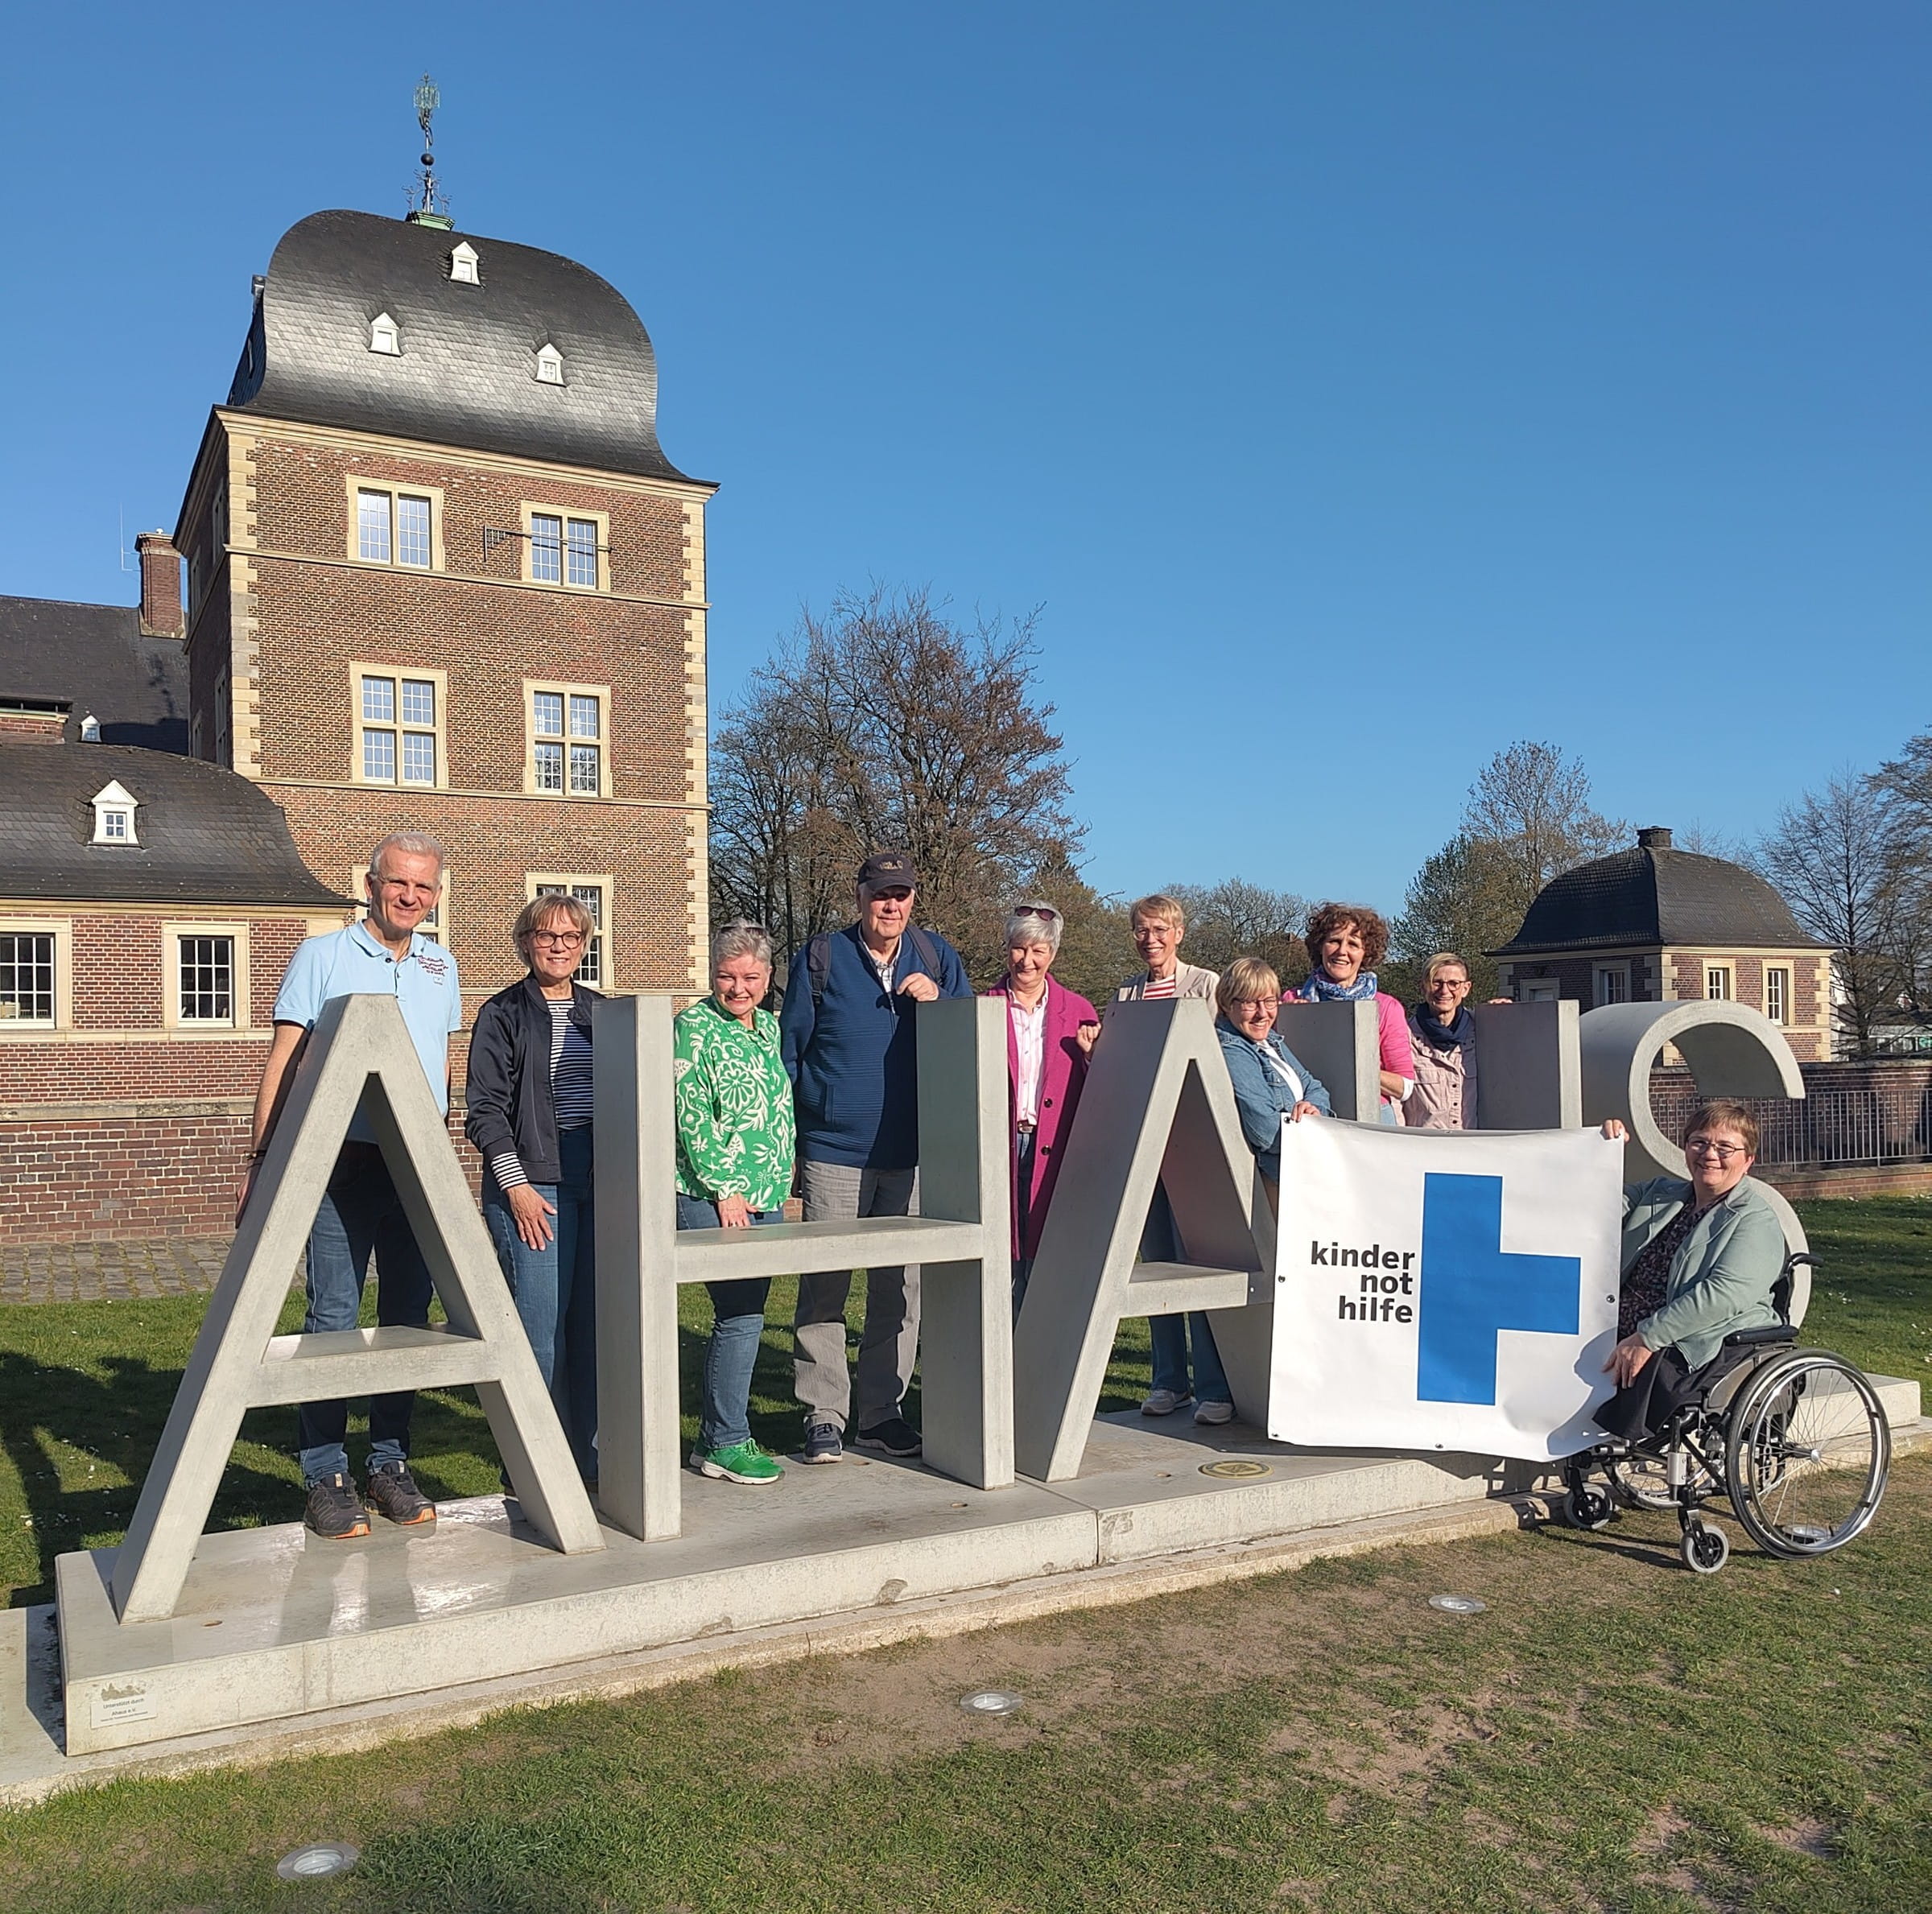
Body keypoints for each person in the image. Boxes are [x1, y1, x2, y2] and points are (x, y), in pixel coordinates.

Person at [240, 831, 462, 1541]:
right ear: (371, 884)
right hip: (340, 1158)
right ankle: (326, 1474)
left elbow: (440, 1064)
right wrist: (261, 1161)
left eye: (424, 888)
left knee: (405, 1319)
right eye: (399, 883)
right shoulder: (324, 954)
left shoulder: (441, 964)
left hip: (416, 1161)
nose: (410, 897)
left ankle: (389, 1463)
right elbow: (283, 1058)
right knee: (333, 1315)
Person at [779, 852, 972, 1464]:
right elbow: (792, 1051)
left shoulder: (937, 956)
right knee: (825, 1285)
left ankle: (880, 1414)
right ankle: (824, 1414)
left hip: (914, 1152)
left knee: (902, 1290)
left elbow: (970, 1038)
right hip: (836, 1150)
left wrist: (938, 1000)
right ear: (858, 896)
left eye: (901, 894)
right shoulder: (823, 957)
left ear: (913, 899)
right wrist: (794, 1143)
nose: (891, 905)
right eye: (880, 894)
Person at [466, 893, 601, 1486]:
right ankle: (532, 1470)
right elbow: (485, 1112)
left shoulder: (603, 1013)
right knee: (539, 1334)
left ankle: (590, 1463)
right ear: (525, 941)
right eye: (546, 935)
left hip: (599, 1189)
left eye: (571, 937)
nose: (558, 946)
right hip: (535, 1190)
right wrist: (516, 1188)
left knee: (593, 1331)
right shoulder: (503, 1014)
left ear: (585, 945)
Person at [675, 921, 796, 1486]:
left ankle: (713, 1437)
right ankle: (727, 1440)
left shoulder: (769, 1028)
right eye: (727, 976)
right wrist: (726, 1190)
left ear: (768, 978)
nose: (738, 988)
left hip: (766, 1190)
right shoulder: (693, 1028)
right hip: (714, 1193)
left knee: (746, 1314)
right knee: (742, 1315)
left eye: (750, 976)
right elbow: (691, 1114)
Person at [1596, 1100, 1786, 1440]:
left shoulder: (1755, 1219)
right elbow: (1595, 1202)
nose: (1710, 1154)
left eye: (1725, 1147)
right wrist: (1603, 1153)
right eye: (1699, 1142)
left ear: (1748, 1161)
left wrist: (1647, 1337)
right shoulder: (1658, 1195)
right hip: (1614, 1324)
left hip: (1691, 1337)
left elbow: (1725, 1295)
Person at [1106, 894, 1224, 1421]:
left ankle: (1216, 1386)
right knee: (1154, 1267)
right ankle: (1168, 1380)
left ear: (1178, 932)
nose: (1149, 938)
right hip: (1142, 1146)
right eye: (1140, 930)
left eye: (1158, 929)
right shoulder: (1126, 994)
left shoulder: (1207, 986)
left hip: (1194, 1146)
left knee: (1196, 1268)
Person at [984, 902, 1100, 1315]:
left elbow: (1099, 1091)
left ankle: (1038, 1345)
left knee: (1049, 1250)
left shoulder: (1081, 1011)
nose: (1027, 961)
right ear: (1007, 949)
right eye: (1019, 948)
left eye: (1038, 951)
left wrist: (1091, 1059)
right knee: (1000, 1252)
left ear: (1052, 955)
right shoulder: (983, 1008)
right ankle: (1004, 1352)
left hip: (1056, 1145)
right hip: (999, 1145)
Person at [1214, 958, 1331, 1197]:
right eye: (1249, 1003)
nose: (1262, 1013)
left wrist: (1313, 1110)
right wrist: (1312, 1129)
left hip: (1305, 1170)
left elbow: (1317, 1088)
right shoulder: (1233, 1050)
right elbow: (1264, 1130)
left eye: (1269, 1001)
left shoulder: (1270, 1042)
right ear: (1226, 1004)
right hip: (1277, 1182)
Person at [1293, 901, 1415, 1125]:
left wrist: (1353, 1069)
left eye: (1353, 944)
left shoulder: (1386, 1007)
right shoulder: (1291, 1002)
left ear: (1365, 952)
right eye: (1334, 941)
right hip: (1311, 1117)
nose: (1342, 951)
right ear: (1320, 947)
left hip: (1372, 1119)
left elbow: (1404, 1087)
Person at [1404, 952, 1480, 1131]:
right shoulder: (1404, 1037)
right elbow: (1397, 1101)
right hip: (1426, 1148)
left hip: (1473, 1145)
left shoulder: (1483, 1029)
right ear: (1423, 988)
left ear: (1466, 988)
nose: (1444, 991)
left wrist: (1505, 1012)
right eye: (1436, 982)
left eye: (1454, 983)